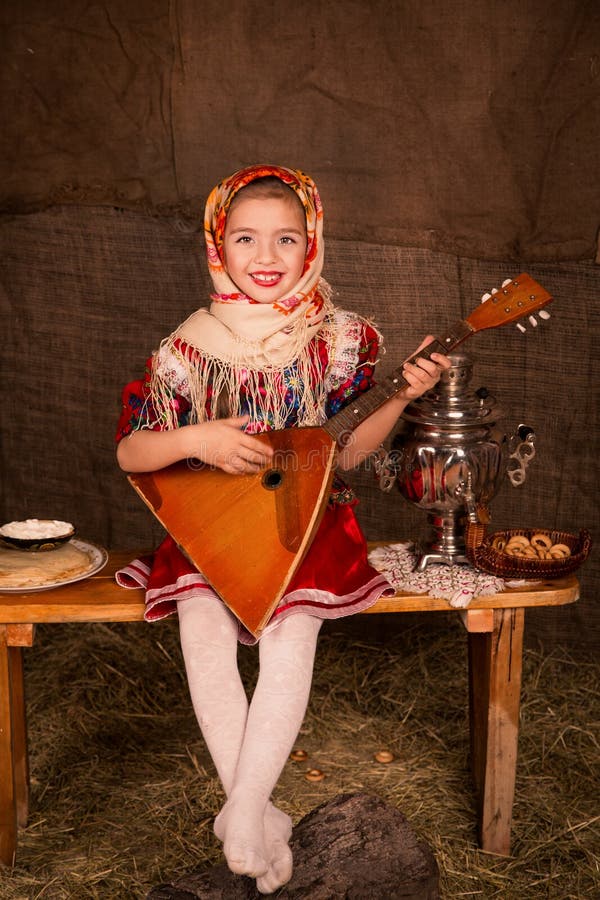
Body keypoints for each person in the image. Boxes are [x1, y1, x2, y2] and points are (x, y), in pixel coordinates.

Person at [115, 164, 450, 894]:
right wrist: (195, 439)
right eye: (245, 238)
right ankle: (258, 815)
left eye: (285, 239)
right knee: (201, 629)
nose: (265, 257)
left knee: (289, 637)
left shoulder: (338, 339)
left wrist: (403, 397)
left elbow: (349, 453)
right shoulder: (189, 347)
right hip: (214, 525)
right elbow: (132, 451)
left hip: (305, 524)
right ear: (218, 247)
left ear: (312, 246)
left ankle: (238, 812)